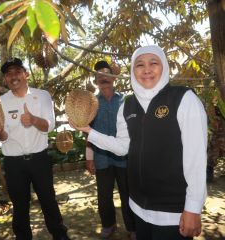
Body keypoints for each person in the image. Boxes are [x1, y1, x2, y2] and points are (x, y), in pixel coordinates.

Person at [71, 45, 207, 240]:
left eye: (154, 63)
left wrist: (193, 208)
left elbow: (196, 158)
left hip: (173, 212)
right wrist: (89, 132)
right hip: (138, 207)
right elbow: (122, 147)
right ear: (133, 71)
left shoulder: (184, 99)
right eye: (139, 65)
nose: (147, 69)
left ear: (164, 66)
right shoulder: (127, 105)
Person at [0, 57, 70, 240]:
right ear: (5, 80)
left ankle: (60, 235)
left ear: (26, 74)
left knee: (48, 201)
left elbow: (49, 126)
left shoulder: (42, 96)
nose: (13, 76)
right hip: (14, 163)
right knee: (20, 206)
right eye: (8, 73)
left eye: (17, 71)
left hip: (39, 159)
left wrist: (33, 120)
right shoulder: (0, 102)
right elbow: (4, 136)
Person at [86, 60, 136, 239]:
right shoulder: (92, 103)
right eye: (99, 75)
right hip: (101, 158)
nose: (103, 77)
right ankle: (108, 224)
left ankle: (132, 228)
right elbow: (88, 132)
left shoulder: (126, 101)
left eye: (107, 73)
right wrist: (89, 157)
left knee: (127, 194)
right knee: (104, 195)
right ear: (96, 80)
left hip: (123, 158)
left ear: (113, 78)